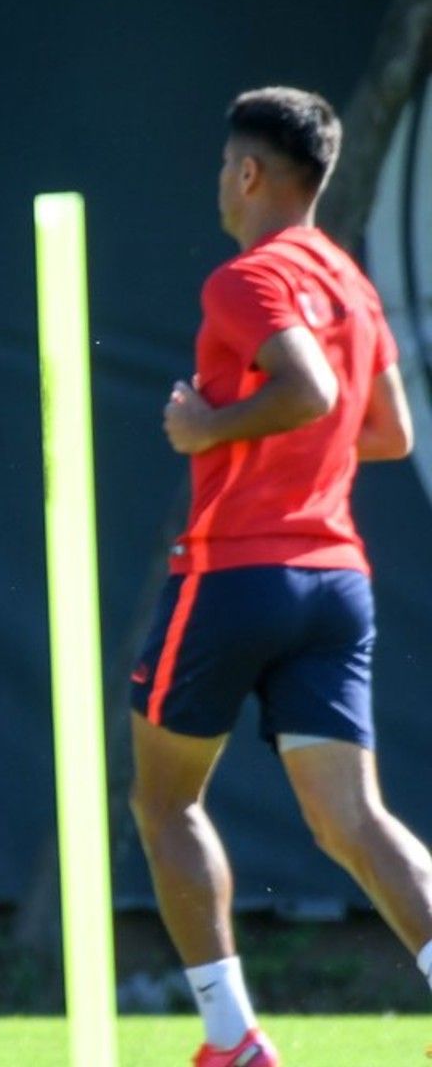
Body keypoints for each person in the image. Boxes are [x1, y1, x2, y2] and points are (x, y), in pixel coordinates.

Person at [129, 86, 431, 1067]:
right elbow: (388, 431)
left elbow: (314, 388)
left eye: (226, 167)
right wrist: (301, 447)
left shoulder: (245, 278)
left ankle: (233, 1040)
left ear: (251, 173)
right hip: (336, 581)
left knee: (164, 802)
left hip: (235, 574)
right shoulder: (347, 279)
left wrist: (208, 429)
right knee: (354, 821)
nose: (221, 184)